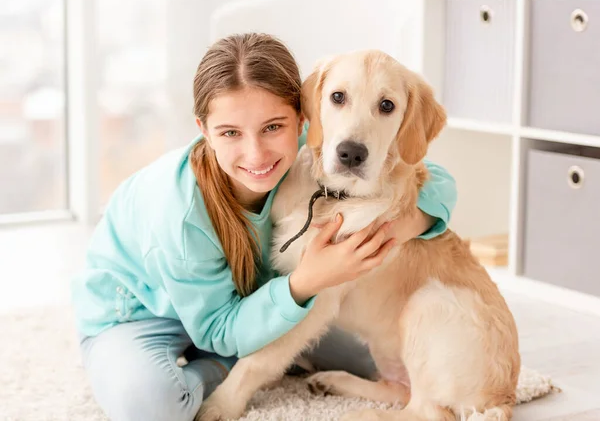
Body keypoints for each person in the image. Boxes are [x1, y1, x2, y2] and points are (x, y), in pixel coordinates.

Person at [72, 32, 457, 421]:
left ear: (303, 119)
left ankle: (257, 341)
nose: (256, 154)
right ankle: (221, 365)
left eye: (273, 127)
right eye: (231, 133)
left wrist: (412, 222)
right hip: (144, 314)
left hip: (249, 297)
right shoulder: (179, 213)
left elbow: (434, 178)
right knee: (154, 405)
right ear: (204, 130)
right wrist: (304, 283)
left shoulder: (315, 143)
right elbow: (216, 331)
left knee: (366, 359)